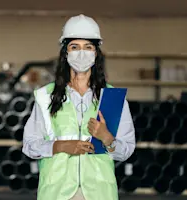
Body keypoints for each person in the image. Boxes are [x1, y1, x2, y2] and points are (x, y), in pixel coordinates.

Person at [22, 14, 136, 200]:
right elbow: (29, 145)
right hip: (57, 192)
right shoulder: (45, 96)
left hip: (99, 193)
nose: (81, 53)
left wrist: (107, 138)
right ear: (65, 53)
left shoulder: (112, 98)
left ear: (96, 53)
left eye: (88, 47)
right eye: (74, 47)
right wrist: (60, 146)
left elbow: (126, 151)